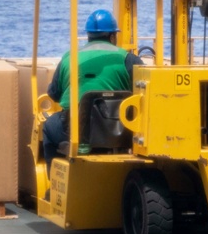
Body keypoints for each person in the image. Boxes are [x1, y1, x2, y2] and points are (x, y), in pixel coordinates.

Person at [42, 9, 142, 165]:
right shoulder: (129, 59)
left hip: (75, 130)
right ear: (112, 36)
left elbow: (54, 94)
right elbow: (143, 94)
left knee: (49, 126)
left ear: (88, 36)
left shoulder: (70, 57)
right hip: (120, 131)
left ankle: (54, 181)